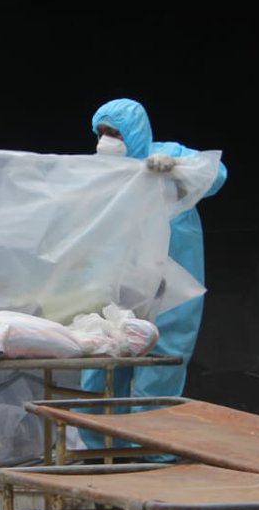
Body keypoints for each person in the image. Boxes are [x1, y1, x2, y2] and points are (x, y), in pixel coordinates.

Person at [82, 97, 227, 442]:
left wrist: (177, 167)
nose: (106, 141)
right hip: (119, 279)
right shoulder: (102, 171)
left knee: (163, 359)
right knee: (105, 357)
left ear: (133, 131)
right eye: (100, 132)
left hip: (172, 278)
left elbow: (215, 174)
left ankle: (152, 448)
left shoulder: (166, 153)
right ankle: (100, 445)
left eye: (114, 132)